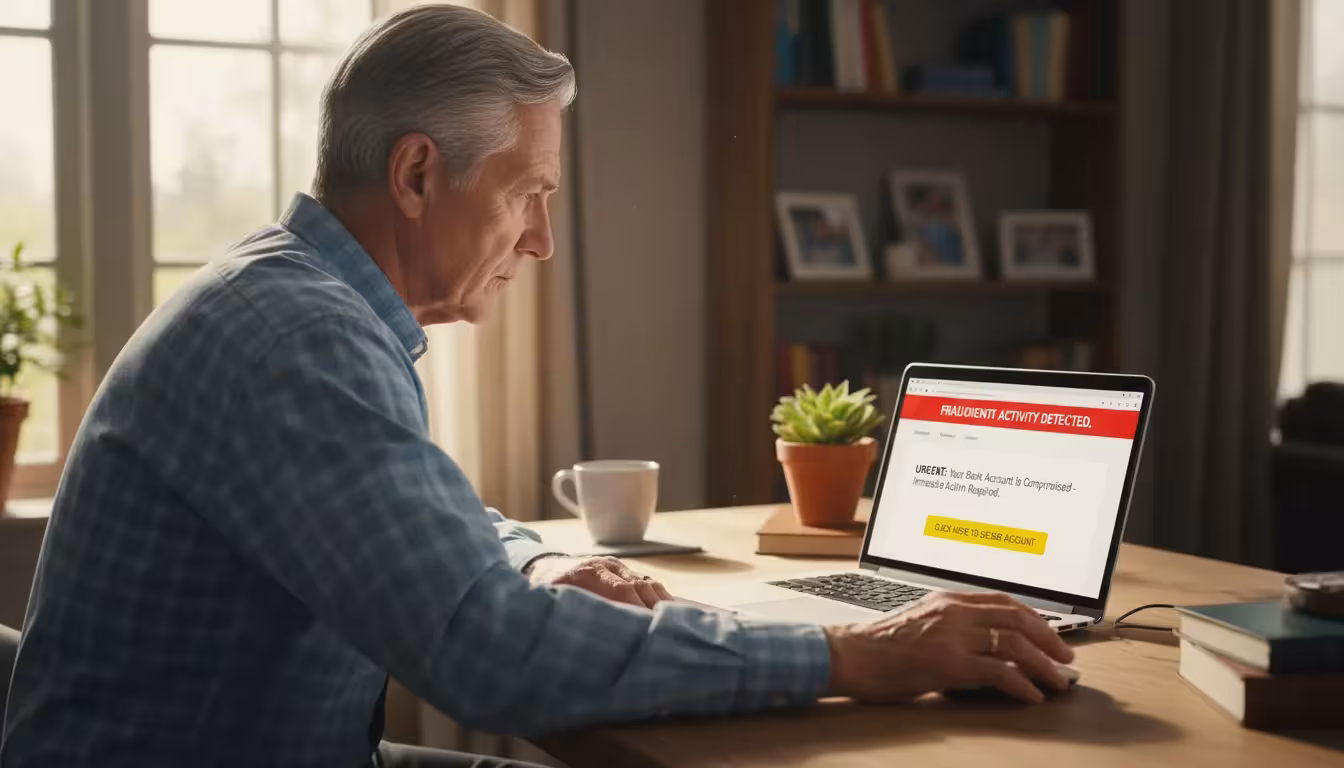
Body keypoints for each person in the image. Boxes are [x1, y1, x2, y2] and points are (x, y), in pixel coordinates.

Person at [0, 6, 1073, 768]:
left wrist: (549, 558)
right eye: (530, 194)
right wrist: (855, 651)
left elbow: (441, 526)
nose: (545, 241)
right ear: (420, 174)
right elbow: (488, 655)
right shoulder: (295, 339)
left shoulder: (293, 299)